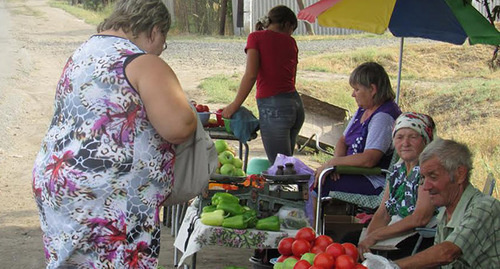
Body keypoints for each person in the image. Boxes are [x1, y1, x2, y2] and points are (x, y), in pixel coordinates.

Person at [31, 0, 197, 267]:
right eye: (162, 42)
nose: (160, 51)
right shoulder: (141, 62)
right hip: (110, 197)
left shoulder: (83, 52)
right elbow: (178, 128)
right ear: (155, 31)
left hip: (61, 182)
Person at [393, 139, 500, 268]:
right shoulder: (446, 212)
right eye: (423, 178)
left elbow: (446, 253)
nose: (425, 186)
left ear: (460, 174)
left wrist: (390, 267)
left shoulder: (484, 207)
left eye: (433, 177)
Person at [221, 5, 304, 165]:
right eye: (292, 29)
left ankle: (289, 190)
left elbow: (251, 75)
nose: (291, 33)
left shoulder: (256, 38)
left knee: (280, 168)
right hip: (295, 106)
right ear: (287, 25)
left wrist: (234, 105)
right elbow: (291, 77)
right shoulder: (291, 42)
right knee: (286, 165)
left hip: (274, 109)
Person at [357, 112, 438, 260]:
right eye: (399, 137)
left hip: (423, 234)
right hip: (399, 229)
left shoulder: (429, 170)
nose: (405, 143)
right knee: (352, 242)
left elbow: (420, 218)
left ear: (426, 141)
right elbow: (383, 212)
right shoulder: (397, 169)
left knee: (388, 259)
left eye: (413, 137)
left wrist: (375, 236)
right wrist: (367, 240)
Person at [314, 62, 402, 196]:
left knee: (316, 183)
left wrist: (334, 163)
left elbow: (369, 159)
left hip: (374, 181)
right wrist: (336, 167)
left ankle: (311, 217)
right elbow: (343, 141)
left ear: (372, 89)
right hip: (353, 173)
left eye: (357, 89)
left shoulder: (383, 117)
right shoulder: (364, 109)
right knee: (316, 177)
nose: (353, 95)